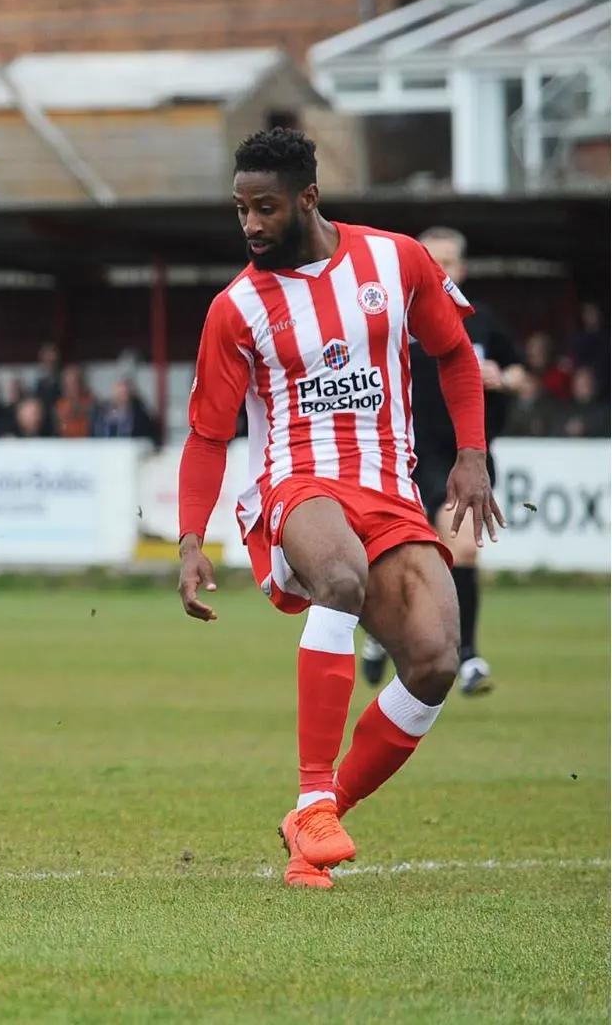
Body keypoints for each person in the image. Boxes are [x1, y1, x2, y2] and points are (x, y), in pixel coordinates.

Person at [175, 128, 501, 890]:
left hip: (390, 488)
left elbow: (453, 352)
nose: (250, 225)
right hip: (296, 487)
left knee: (433, 661)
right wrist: (192, 540)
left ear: (308, 199)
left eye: (265, 208)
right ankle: (316, 790)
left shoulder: (397, 259)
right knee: (342, 579)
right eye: (240, 209)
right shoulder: (236, 309)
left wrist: (473, 454)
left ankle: (314, 821)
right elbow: (205, 435)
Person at [360, 227, 532, 696]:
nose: (442, 271)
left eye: (450, 262)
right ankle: (381, 633)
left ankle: (469, 655)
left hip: (466, 456)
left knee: (464, 549)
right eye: (432, 261)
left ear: (463, 268)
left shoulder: (482, 324)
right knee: (396, 557)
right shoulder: (391, 319)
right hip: (402, 455)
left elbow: (522, 374)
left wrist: (504, 376)